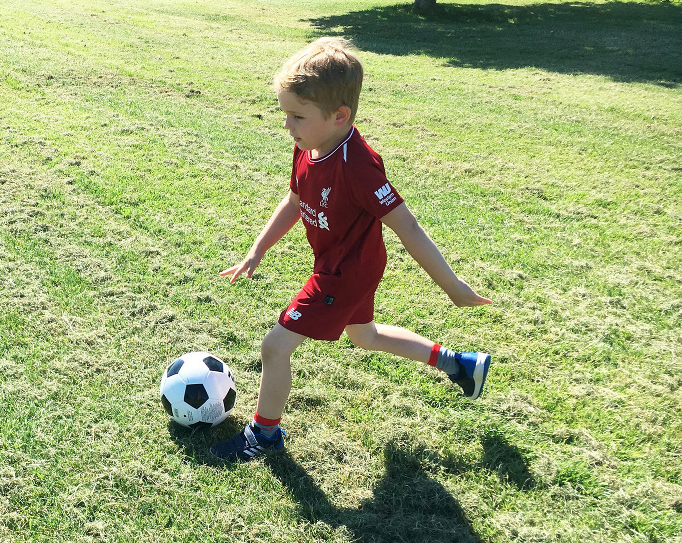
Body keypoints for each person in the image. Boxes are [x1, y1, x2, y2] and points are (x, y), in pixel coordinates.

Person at [209, 37, 493, 463]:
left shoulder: (358, 165)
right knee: (366, 336)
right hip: (342, 263)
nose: (288, 125)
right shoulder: (310, 145)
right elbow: (294, 200)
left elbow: (407, 226)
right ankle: (459, 364)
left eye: (298, 116)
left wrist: (452, 286)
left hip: (345, 271)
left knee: (275, 347)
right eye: (286, 113)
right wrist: (258, 248)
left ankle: (263, 436)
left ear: (339, 115)